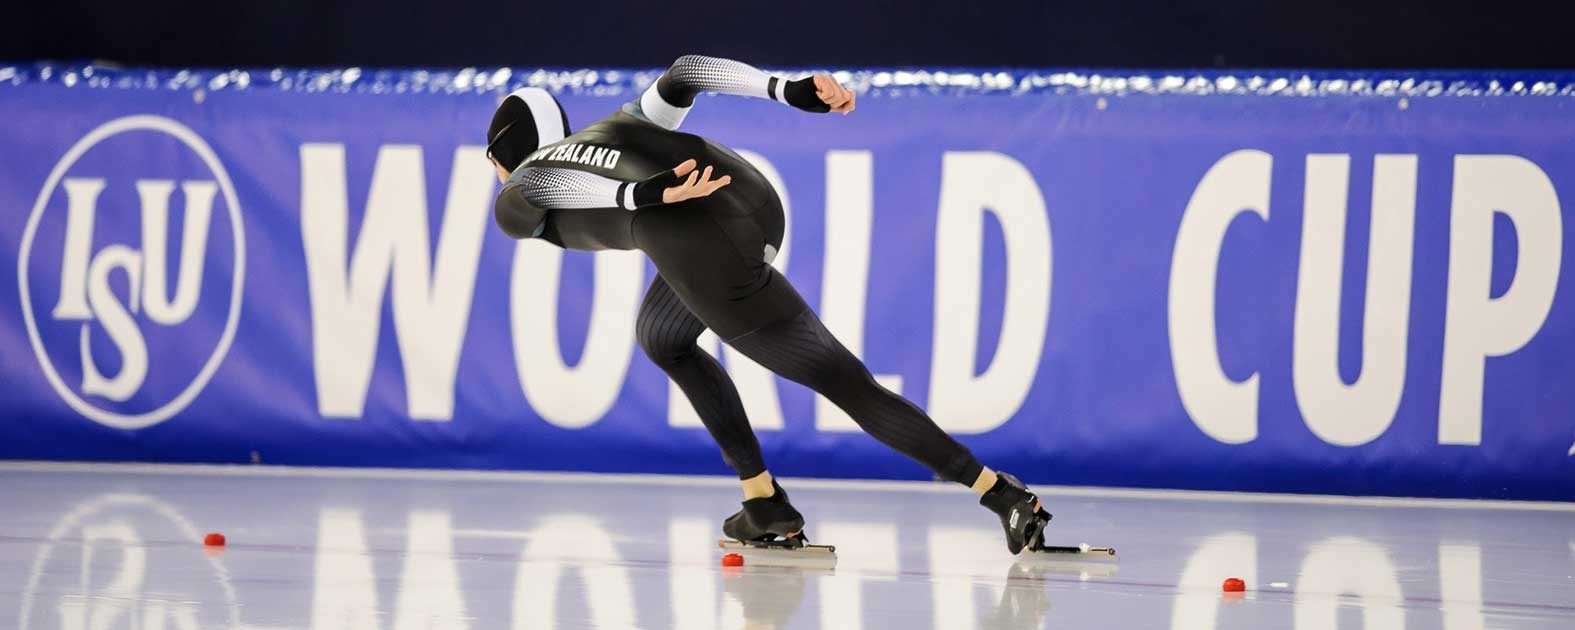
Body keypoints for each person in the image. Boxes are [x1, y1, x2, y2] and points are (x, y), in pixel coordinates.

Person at [487, 54, 1051, 554]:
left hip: (708, 244)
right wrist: (789, 89)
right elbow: (688, 71)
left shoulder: (517, 186)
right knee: (663, 338)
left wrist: (641, 195)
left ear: (502, 154)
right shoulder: (623, 122)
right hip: (754, 200)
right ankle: (763, 503)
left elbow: (539, 187)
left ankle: (999, 493)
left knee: (843, 381)